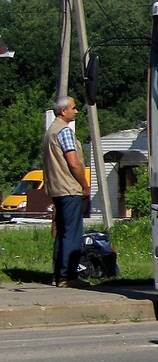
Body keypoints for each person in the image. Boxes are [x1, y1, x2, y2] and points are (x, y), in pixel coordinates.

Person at [42, 96, 90, 287]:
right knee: (72, 233)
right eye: (73, 108)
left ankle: (58, 274)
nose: (76, 111)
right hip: (69, 188)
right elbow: (73, 162)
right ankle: (68, 276)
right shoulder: (64, 131)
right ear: (64, 111)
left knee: (62, 232)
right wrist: (85, 185)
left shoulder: (50, 132)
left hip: (56, 188)